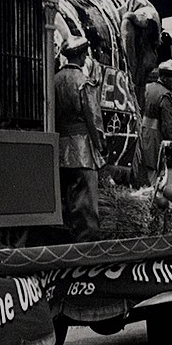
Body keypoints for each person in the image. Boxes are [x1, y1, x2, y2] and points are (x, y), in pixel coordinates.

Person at [54, 35, 106, 241]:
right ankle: (88, 244)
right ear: (83, 55)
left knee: (67, 199)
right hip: (83, 149)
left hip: (60, 148)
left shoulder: (55, 80)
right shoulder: (84, 83)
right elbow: (94, 118)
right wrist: (101, 145)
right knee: (86, 201)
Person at [134, 60, 172, 186]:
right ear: (164, 78)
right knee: (155, 173)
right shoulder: (165, 95)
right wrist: (171, 145)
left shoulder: (147, 88)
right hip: (155, 137)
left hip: (140, 132)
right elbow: (166, 126)